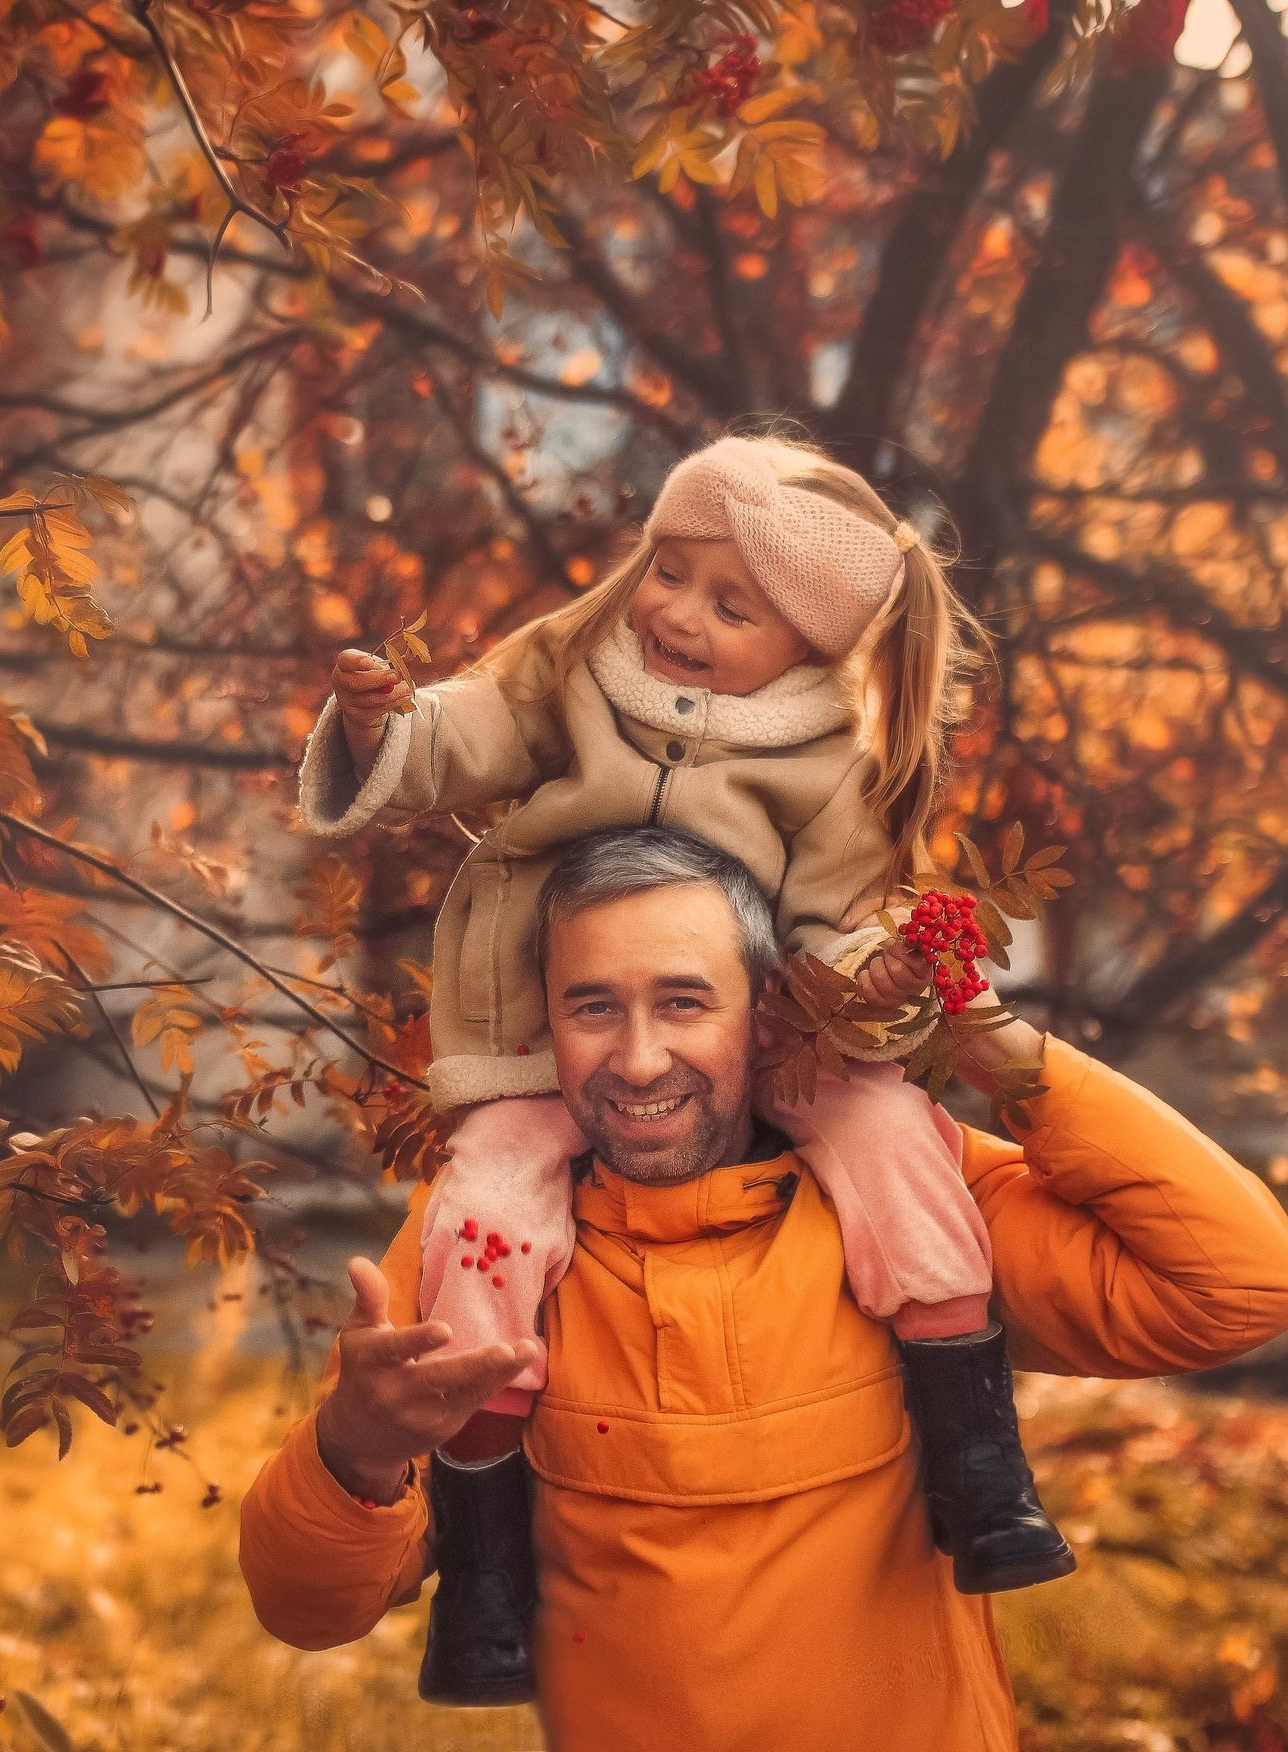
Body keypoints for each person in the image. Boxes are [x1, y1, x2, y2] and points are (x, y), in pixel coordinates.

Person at [238, 827, 1288, 1748]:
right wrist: (354, 1452)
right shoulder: (486, 1248)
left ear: (763, 1017)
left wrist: (1002, 1054)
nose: (642, 1059)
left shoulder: (914, 1197)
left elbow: (1240, 1286)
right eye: (594, 1008)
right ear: (543, 1032)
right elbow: (306, 1611)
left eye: (683, 1001)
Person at [299, 434, 1051, 1702]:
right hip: (556, 1042)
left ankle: (977, 1465)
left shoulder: (829, 764)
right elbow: (468, 732)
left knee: (895, 1143)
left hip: (756, 1042)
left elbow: (835, 920)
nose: (677, 616)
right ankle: (484, 1569)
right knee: (483, 1220)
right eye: (669, 571)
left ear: (809, 648)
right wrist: (388, 730)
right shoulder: (575, 668)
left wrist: (869, 979)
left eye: (729, 603)